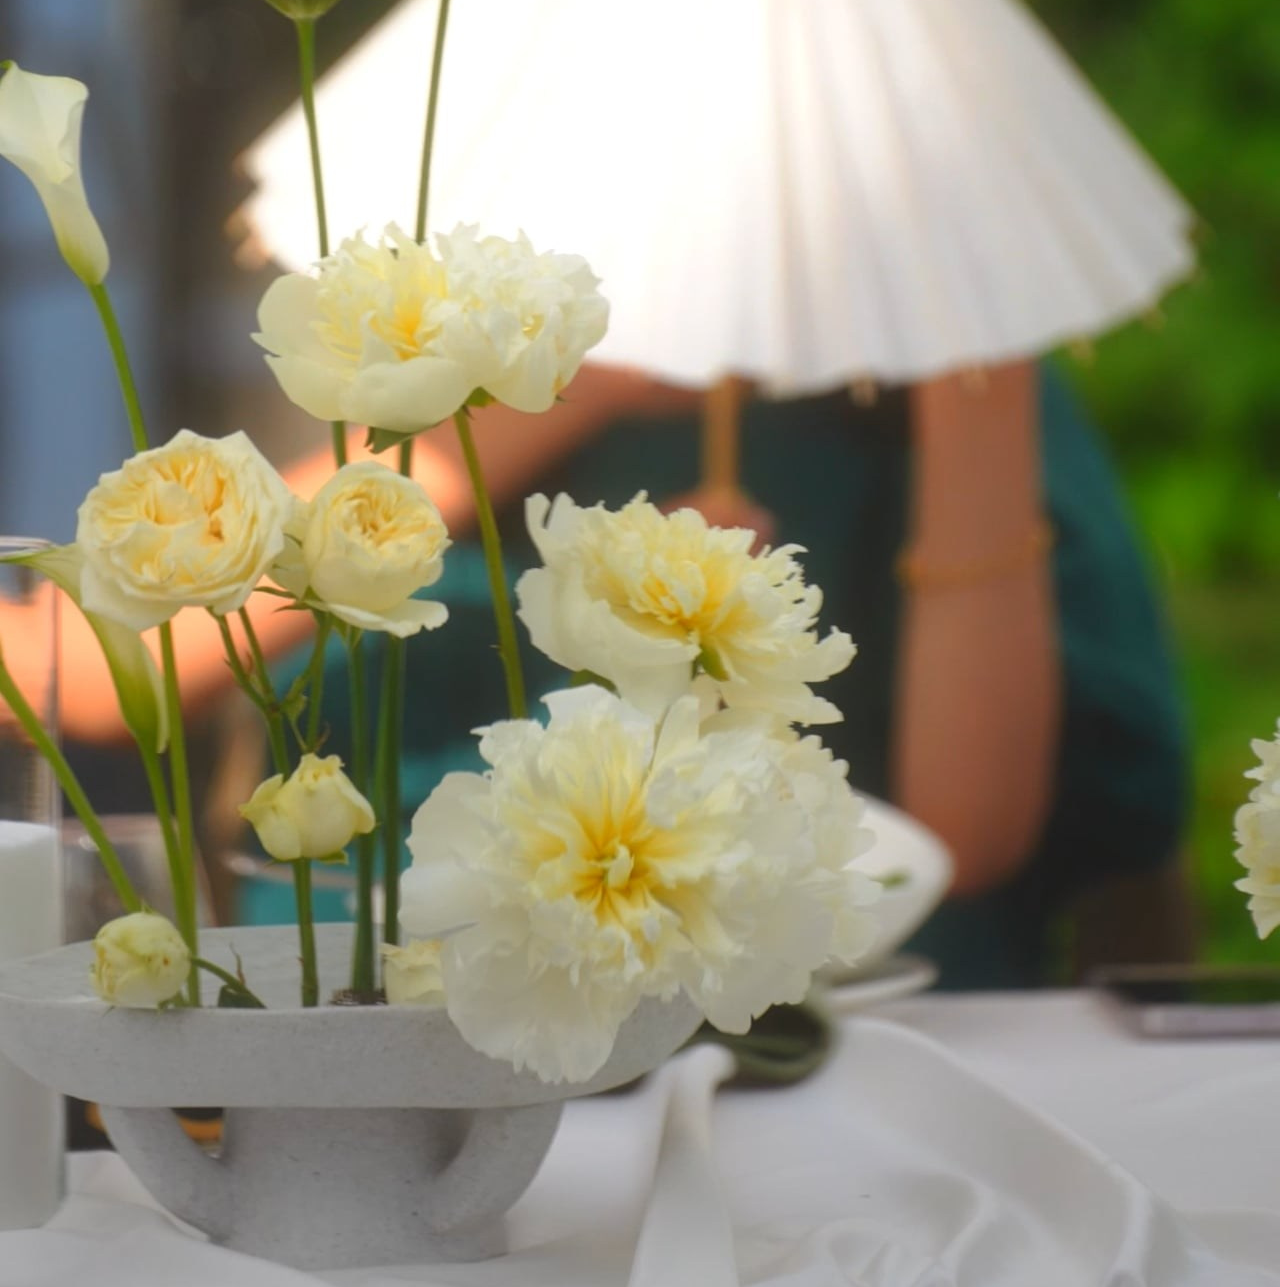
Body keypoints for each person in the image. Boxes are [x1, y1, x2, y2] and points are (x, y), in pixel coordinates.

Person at [7, 345, 1190, 989]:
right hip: (383, 1016)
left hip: (828, 1014)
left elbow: (965, 829)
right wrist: (544, 389)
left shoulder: (937, 373)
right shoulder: (429, 358)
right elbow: (93, 671)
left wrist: (971, 376)